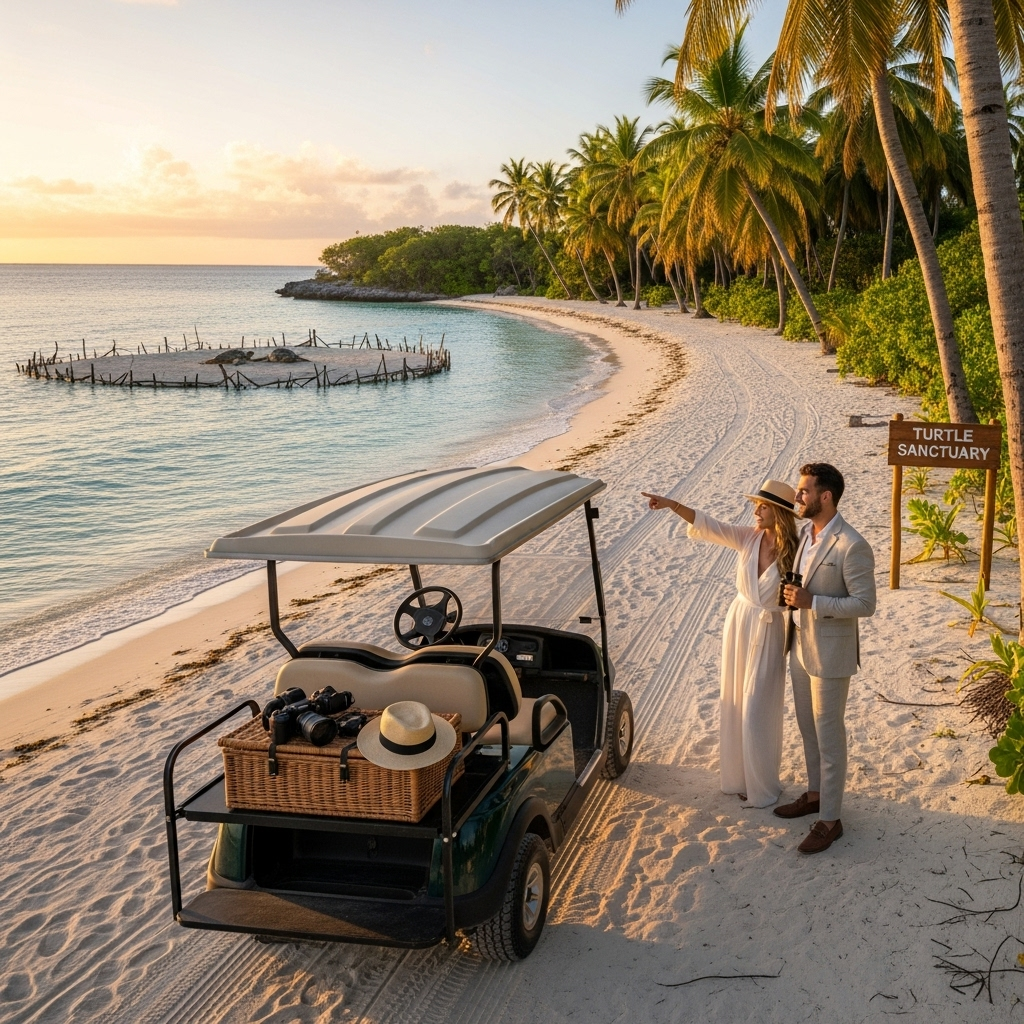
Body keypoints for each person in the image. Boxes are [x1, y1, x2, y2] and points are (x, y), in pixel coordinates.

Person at [641, 480, 799, 807]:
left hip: (769, 629)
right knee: (737, 703)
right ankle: (740, 778)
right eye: (756, 505)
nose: (756, 511)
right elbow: (708, 524)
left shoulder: (797, 551)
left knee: (758, 707)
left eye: (763, 506)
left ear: (780, 513)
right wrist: (672, 504)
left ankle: (762, 784)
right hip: (739, 622)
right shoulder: (747, 538)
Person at [776, 463, 876, 854]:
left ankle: (830, 819)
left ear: (825, 496)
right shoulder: (806, 534)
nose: (798, 496)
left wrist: (812, 602)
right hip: (800, 644)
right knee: (807, 727)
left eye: (803, 491)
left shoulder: (853, 544)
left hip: (831, 653)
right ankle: (815, 794)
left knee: (829, 735)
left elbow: (865, 604)